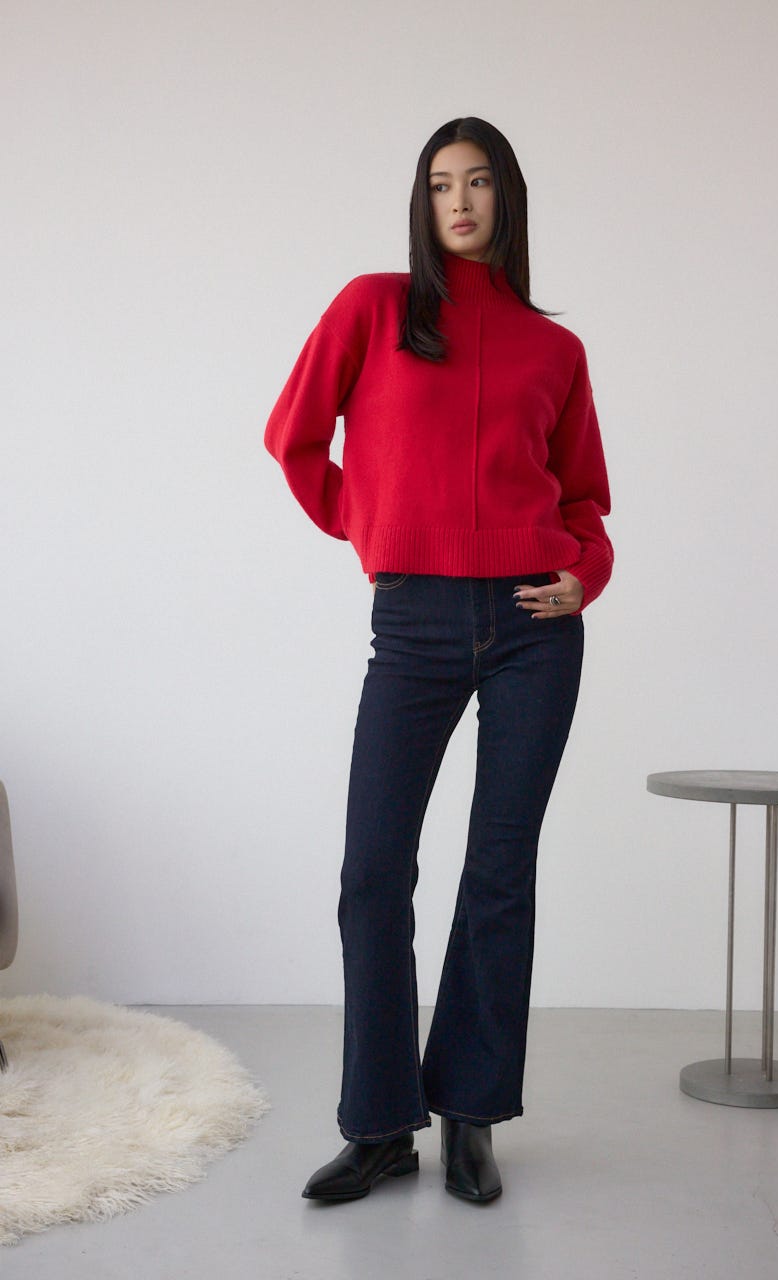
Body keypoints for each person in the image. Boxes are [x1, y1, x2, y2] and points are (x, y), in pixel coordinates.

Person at [264, 116, 613, 1203]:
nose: (457, 202)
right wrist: (374, 532)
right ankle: (379, 1124)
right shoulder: (375, 306)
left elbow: (584, 501)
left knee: (498, 872)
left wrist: (585, 575)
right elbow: (292, 437)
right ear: (421, 202)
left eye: (477, 182)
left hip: (534, 626)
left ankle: (471, 1114)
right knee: (373, 870)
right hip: (412, 620)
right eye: (438, 184)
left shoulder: (555, 350)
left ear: (508, 197)